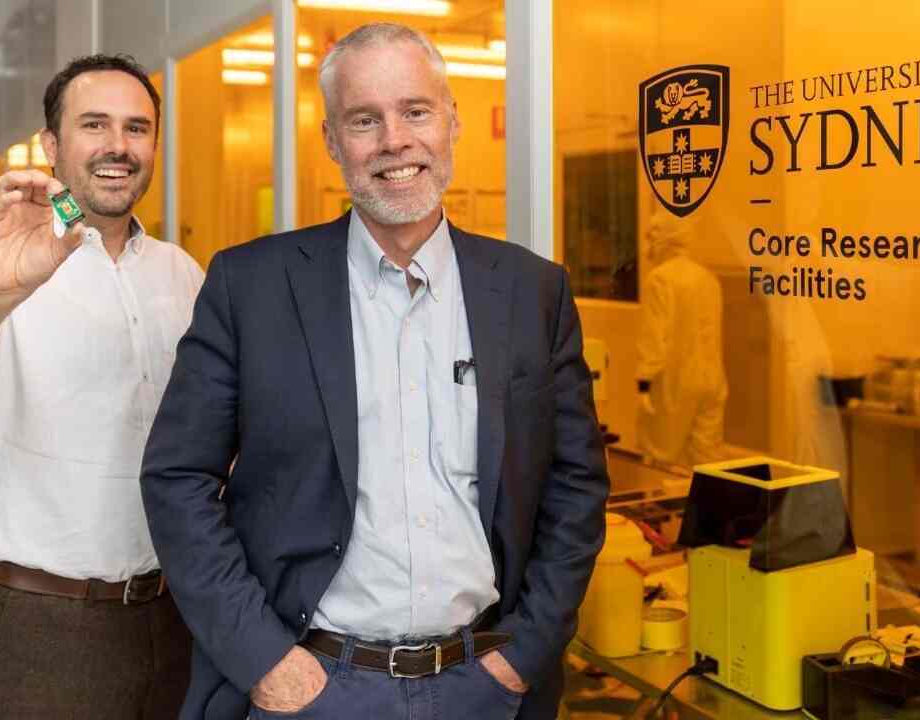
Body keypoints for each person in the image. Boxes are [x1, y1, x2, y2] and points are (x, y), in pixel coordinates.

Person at [140, 22, 609, 720]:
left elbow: (576, 485)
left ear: (452, 123)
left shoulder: (531, 291)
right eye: (366, 119)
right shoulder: (252, 288)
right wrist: (265, 660)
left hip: (484, 683)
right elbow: (177, 479)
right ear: (333, 142)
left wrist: (525, 654)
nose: (395, 140)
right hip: (315, 686)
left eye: (416, 111)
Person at [0, 54, 201, 719]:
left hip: (172, 619)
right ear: (53, 146)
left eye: (137, 128)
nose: (118, 145)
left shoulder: (181, 275)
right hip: (38, 625)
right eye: (94, 125)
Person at [635, 213, 727, 467]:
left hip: (672, 382)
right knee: (707, 460)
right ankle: (709, 507)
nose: (648, 244)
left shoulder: (660, 279)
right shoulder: (708, 278)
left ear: (663, 238)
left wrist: (644, 383)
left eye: (651, 236)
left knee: (661, 458)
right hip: (711, 380)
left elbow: (654, 339)